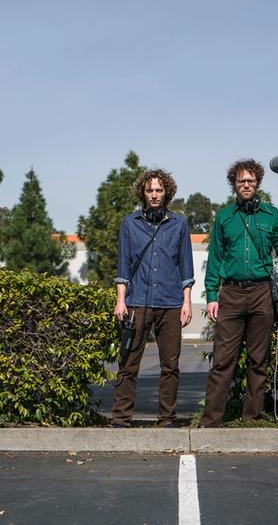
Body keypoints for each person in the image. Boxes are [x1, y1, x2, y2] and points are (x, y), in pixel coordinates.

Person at [199, 158, 278, 427]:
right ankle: (210, 420)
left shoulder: (270, 215)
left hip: (261, 292)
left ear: (257, 184)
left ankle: (251, 418)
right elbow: (215, 259)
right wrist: (211, 296)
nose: (246, 185)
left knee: (259, 359)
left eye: (251, 181)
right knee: (222, 360)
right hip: (230, 294)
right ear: (234, 184)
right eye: (241, 181)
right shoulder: (224, 217)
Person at [111, 169, 195, 428]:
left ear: (166, 192)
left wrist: (187, 302)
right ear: (143, 193)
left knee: (170, 366)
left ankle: (166, 418)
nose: (155, 195)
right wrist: (120, 300)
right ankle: (121, 418)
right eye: (150, 190)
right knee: (128, 364)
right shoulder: (130, 223)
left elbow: (186, 266)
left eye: (159, 190)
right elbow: (123, 266)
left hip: (171, 303)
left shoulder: (179, 224)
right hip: (137, 301)